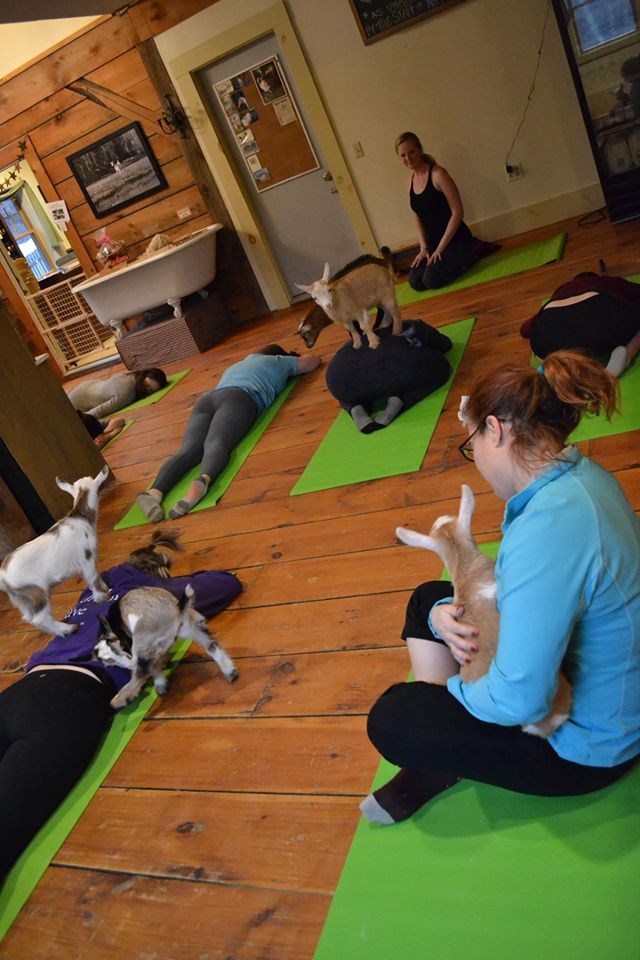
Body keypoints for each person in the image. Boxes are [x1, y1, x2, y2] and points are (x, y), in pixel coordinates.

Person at [361, 352, 640, 825]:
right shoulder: (581, 477)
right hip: (599, 685)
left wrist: (452, 693)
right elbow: (520, 593)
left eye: (472, 444)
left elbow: (523, 700)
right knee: (430, 600)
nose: (478, 462)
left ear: (496, 429)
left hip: (585, 746)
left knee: (394, 718)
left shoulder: (548, 529)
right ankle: (453, 748)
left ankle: (446, 757)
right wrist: (443, 621)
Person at [0, 558, 241, 881]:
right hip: (68, 699)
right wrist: (173, 581)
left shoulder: (93, 592)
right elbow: (226, 582)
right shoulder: (156, 592)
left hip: (20, 691)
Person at [136, 345, 321, 521]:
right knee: (216, 443)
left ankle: (154, 492)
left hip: (208, 400)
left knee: (188, 451)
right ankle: (204, 479)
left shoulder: (240, 363)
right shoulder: (279, 361)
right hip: (240, 399)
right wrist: (292, 360)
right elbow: (313, 361)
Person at [396, 132, 498, 292]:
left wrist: (441, 249)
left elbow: (457, 212)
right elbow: (416, 217)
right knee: (416, 281)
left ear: (420, 149)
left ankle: (470, 256)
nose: (408, 158)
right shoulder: (409, 182)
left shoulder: (438, 174)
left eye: (412, 152)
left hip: (456, 240)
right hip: (433, 243)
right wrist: (424, 249)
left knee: (431, 279)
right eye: (403, 155)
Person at [325, 315, 453, 433]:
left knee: (344, 387)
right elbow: (446, 345)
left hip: (336, 375)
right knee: (441, 368)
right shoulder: (410, 326)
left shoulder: (354, 341)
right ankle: (402, 399)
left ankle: (354, 407)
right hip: (395, 368)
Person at [520, 271, 640, 377]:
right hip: (599, 328)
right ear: (595, 277)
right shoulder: (604, 281)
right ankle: (623, 358)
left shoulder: (561, 290)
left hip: (550, 342)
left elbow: (524, 330)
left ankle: (556, 371)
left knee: (543, 351)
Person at [68, 367, 168, 420]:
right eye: (147, 385)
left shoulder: (133, 374)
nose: (147, 390)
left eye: (151, 390)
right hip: (78, 402)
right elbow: (99, 411)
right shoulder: (127, 394)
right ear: (145, 376)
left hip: (88, 386)